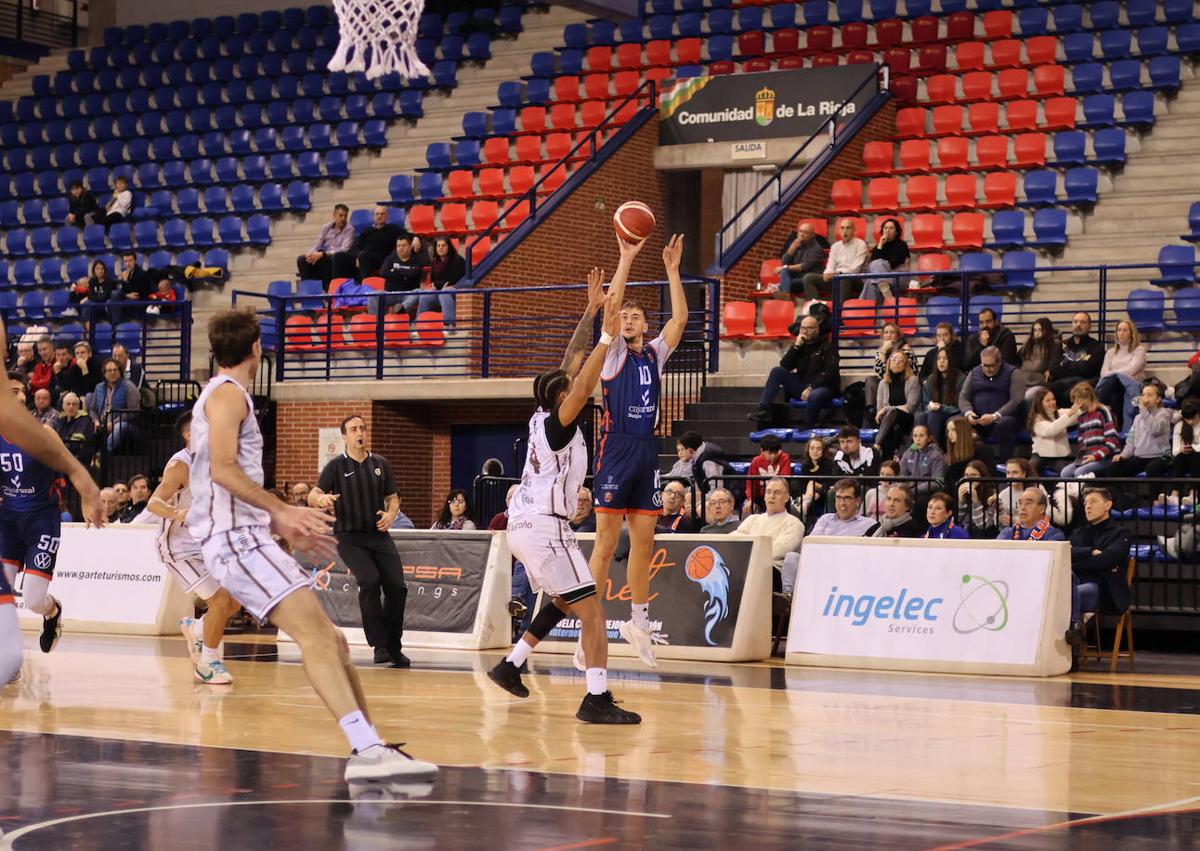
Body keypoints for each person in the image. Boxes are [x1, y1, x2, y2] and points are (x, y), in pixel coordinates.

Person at [189, 307, 438, 782]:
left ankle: (371, 744)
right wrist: (281, 511)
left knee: (335, 642)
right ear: (257, 349)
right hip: (236, 542)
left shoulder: (225, 394)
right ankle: (366, 751)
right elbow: (222, 468)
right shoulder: (227, 396)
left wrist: (277, 520)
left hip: (246, 536)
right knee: (319, 638)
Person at [487, 277, 642, 724]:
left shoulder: (541, 413)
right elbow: (582, 375)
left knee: (562, 599)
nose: (580, 383)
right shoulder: (559, 422)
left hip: (527, 525)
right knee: (592, 610)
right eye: (571, 386)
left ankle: (511, 664)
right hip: (542, 526)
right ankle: (596, 697)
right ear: (562, 396)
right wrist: (609, 336)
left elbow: (571, 361)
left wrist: (591, 312)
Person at [589, 234, 688, 669]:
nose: (627, 318)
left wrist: (672, 271)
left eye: (635, 315)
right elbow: (609, 310)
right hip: (615, 450)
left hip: (647, 451)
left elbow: (681, 320)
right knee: (606, 544)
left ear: (645, 325)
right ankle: (590, 626)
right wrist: (625, 258)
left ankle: (638, 623)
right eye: (624, 314)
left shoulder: (654, 354)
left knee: (643, 541)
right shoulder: (612, 355)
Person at [0, 370, 104, 686]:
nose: (17, 395)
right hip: (6, 520)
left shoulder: (44, 432)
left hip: (41, 519)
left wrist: (88, 498)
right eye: (10, 390)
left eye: (21, 390)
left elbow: (70, 467)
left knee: (32, 599)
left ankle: (52, 611)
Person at [140, 410, 242, 685]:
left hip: (206, 542)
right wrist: (178, 513)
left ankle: (195, 628)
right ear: (190, 434)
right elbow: (153, 503)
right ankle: (207, 663)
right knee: (219, 602)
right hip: (178, 546)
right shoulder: (180, 466)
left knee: (235, 600)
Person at [309, 414, 410, 668]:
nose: (359, 432)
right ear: (344, 437)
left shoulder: (380, 464)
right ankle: (379, 645)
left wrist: (390, 515)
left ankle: (394, 646)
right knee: (371, 580)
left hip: (379, 535)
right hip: (349, 537)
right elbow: (314, 493)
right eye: (354, 429)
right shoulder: (336, 467)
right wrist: (321, 500)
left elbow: (393, 498)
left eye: (362, 428)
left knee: (398, 587)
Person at [1064, 487, 1132, 667]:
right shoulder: (1079, 533)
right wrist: (1090, 552)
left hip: (1104, 589)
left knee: (1067, 594)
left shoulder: (1121, 534)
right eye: (1085, 503)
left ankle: (1069, 652)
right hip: (1075, 582)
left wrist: (1076, 563)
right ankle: (1074, 631)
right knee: (1065, 589)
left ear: (1108, 505)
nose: (1087, 507)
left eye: (1093, 502)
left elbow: (1106, 560)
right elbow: (1065, 553)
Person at [748, 314, 840, 428]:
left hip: (823, 387)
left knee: (815, 395)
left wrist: (811, 387)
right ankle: (763, 409)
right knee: (777, 371)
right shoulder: (801, 345)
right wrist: (796, 347)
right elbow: (785, 365)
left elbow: (830, 372)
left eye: (809, 328)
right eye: (803, 328)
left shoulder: (828, 346)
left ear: (817, 330)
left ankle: (807, 425)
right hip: (803, 384)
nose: (805, 331)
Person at [732, 478, 805, 591]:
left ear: (786, 498)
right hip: (746, 565)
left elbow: (776, 551)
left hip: (772, 570)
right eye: (768, 492)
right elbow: (734, 540)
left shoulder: (794, 524)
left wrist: (746, 553)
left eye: (777, 492)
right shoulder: (753, 519)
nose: (772, 496)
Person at [959, 345, 1024, 461]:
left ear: (999, 362)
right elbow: (963, 397)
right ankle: (962, 463)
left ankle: (1006, 463)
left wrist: (995, 416)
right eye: (984, 365)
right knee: (956, 422)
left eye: (991, 366)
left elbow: (1016, 399)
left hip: (1004, 417)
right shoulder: (974, 373)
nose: (987, 369)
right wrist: (969, 413)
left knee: (1004, 424)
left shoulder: (1013, 373)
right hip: (978, 418)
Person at [1107, 382, 1172, 479]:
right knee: (1113, 468)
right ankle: (1120, 494)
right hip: (1140, 457)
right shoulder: (1138, 418)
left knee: (1153, 468)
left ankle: (1156, 494)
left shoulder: (1164, 414)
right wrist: (1123, 455)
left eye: (1149, 395)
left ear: (1158, 399)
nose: (1145, 398)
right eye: (1143, 395)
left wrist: (1143, 410)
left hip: (1160, 456)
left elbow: (1155, 430)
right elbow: (1131, 440)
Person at [1059, 382, 1122, 479]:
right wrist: (1083, 457)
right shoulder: (1081, 416)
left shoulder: (1103, 411)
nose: (1076, 405)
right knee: (1065, 473)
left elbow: (1113, 440)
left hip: (1106, 457)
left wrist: (1095, 456)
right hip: (1089, 458)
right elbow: (1081, 443)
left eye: (1077, 401)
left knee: (1080, 472)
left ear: (1084, 398)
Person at [1096, 319, 1147, 430]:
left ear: (1131, 333)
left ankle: (1126, 429)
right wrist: (1116, 375)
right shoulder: (1110, 352)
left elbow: (1132, 370)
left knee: (1118, 382)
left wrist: (1115, 373)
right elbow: (1103, 373)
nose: (1121, 333)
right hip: (1113, 386)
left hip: (1132, 385)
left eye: (1125, 330)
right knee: (1114, 391)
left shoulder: (1139, 350)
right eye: (1119, 330)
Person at [863, 322, 915, 428]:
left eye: (892, 332)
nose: (889, 335)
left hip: (902, 382)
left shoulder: (906, 349)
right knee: (870, 380)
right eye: (886, 332)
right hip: (886, 383)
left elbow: (911, 371)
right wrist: (883, 351)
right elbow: (879, 373)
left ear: (898, 335)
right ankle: (871, 409)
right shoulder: (881, 350)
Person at [1049, 311, 1105, 406]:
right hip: (1060, 384)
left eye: (1083, 322)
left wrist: (1064, 364)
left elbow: (1088, 370)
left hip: (1083, 384)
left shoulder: (1096, 347)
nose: (1078, 325)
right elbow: (1053, 369)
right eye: (1075, 322)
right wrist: (1079, 366)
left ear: (1089, 326)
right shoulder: (1062, 345)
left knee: (1068, 394)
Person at [874, 349, 920, 460]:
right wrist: (887, 410)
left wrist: (887, 409)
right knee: (894, 429)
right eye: (894, 360)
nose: (896, 362)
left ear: (905, 364)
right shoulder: (883, 383)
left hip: (908, 419)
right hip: (889, 422)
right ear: (889, 363)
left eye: (900, 360)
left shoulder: (913, 380)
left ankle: (877, 445)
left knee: (893, 413)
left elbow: (910, 407)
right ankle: (888, 463)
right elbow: (879, 411)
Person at [88, 358, 140, 453]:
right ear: (104, 373)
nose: (112, 373)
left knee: (120, 426)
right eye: (109, 370)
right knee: (86, 424)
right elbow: (93, 409)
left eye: (115, 370)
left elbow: (133, 412)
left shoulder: (129, 387)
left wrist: (114, 422)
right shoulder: (99, 387)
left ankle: (103, 454)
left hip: (126, 426)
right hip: (102, 423)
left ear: (120, 371)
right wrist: (95, 421)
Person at [298, 203, 356, 286]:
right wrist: (310, 254)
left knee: (335, 257)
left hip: (340, 259)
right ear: (334, 215)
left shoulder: (350, 230)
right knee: (302, 259)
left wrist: (324, 254)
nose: (343, 218)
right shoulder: (326, 227)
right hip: (326, 256)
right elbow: (316, 245)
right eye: (341, 215)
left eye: (345, 216)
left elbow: (344, 250)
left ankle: (333, 289)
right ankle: (309, 289)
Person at [916, 344, 963, 443]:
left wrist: (941, 407)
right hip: (934, 411)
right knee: (921, 416)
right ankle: (918, 449)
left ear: (951, 361)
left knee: (934, 416)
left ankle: (934, 448)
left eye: (945, 358)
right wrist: (930, 405)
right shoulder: (931, 378)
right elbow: (925, 400)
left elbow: (961, 405)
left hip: (953, 413)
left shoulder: (961, 378)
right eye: (938, 358)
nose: (941, 361)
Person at [817, 218, 868, 303]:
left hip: (854, 279)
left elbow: (856, 269)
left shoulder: (860, 244)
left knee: (844, 278)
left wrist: (838, 274)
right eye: (842, 228)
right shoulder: (835, 246)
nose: (845, 231)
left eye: (848, 228)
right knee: (809, 278)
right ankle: (816, 306)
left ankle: (839, 310)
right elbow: (830, 265)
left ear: (854, 230)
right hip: (836, 277)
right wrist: (827, 274)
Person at [1028, 387, 1078, 474]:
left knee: (1066, 472)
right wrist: (1070, 414)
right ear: (1040, 403)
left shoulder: (1060, 413)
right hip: (1040, 456)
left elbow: (1078, 413)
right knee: (1028, 471)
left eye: (1053, 399)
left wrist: (1097, 405)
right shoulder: (1036, 419)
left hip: (1059, 457)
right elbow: (1051, 430)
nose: (1052, 402)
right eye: (1048, 401)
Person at [860, 217, 910, 303]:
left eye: (891, 228)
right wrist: (880, 245)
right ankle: (886, 293)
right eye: (885, 228)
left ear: (896, 232)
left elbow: (894, 263)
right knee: (870, 282)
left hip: (898, 276)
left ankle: (863, 308)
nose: (887, 230)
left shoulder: (902, 245)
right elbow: (873, 263)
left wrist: (881, 267)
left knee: (874, 276)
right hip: (883, 278)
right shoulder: (879, 246)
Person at [809, 478, 880, 537]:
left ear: (857, 501)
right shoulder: (825, 520)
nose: (842, 503)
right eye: (838, 497)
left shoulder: (869, 524)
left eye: (847, 498)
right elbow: (811, 545)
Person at [351, 205, 406, 279]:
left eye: (382, 214)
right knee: (339, 256)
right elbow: (357, 246)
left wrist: (416, 238)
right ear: (374, 217)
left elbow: (408, 236)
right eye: (377, 214)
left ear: (387, 216)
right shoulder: (367, 231)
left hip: (384, 259)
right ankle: (336, 284)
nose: (379, 216)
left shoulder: (394, 229)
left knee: (363, 256)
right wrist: (357, 257)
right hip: (365, 258)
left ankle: (366, 283)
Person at [378, 234, 426, 317]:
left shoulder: (418, 260)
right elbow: (383, 273)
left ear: (410, 246)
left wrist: (395, 271)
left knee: (419, 292)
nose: (401, 248)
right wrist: (405, 275)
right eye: (398, 246)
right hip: (391, 293)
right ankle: (376, 324)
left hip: (409, 294)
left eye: (404, 245)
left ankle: (401, 309)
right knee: (374, 295)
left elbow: (414, 273)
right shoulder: (390, 259)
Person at [778, 220, 827, 298]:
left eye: (805, 232)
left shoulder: (816, 249)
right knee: (785, 271)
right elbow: (784, 262)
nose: (801, 234)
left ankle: (784, 291)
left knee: (786, 280)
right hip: (797, 277)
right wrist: (792, 248)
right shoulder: (797, 245)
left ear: (812, 235)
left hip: (810, 277)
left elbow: (805, 266)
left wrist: (786, 267)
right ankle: (785, 293)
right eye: (800, 231)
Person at [996, 487, 1065, 541]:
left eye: (1028, 503)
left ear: (1041, 509)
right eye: (1020, 503)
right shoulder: (1007, 533)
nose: (1022, 508)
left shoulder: (1053, 535)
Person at [746, 433, 792, 513]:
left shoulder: (785, 458)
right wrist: (751, 500)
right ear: (762, 451)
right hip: (760, 497)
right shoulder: (756, 461)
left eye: (776, 453)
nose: (773, 456)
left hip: (779, 495)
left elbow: (784, 481)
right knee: (747, 508)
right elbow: (750, 484)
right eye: (770, 453)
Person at [426, 236, 465, 329]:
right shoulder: (435, 262)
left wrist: (439, 284)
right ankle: (420, 324)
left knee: (445, 292)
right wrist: (434, 285)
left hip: (456, 288)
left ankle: (449, 324)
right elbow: (433, 280)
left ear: (449, 247)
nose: (441, 248)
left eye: (443, 245)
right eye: (438, 246)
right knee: (426, 295)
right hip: (441, 289)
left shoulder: (457, 259)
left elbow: (456, 279)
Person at [794, 435, 835, 522]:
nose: (815, 451)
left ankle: (803, 506)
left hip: (824, 496)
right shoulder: (805, 466)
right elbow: (802, 486)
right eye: (812, 448)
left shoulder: (829, 464)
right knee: (810, 485)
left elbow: (828, 484)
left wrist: (818, 493)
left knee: (811, 483)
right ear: (808, 450)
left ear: (823, 451)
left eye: (818, 449)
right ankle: (804, 505)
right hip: (810, 497)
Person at [1016, 318, 1059, 399]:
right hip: (1023, 381)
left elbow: (1054, 363)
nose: (1037, 333)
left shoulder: (1054, 345)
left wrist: (1050, 371)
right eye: (1035, 330)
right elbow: (1017, 360)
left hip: (1040, 383)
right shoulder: (1027, 345)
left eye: (1040, 330)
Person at [898, 424, 945, 497]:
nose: (918, 439)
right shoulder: (908, 453)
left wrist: (914, 490)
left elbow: (937, 482)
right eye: (915, 436)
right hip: (909, 492)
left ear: (929, 438)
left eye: (921, 436)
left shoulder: (936, 455)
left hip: (927, 494)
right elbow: (901, 475)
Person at [958, 459, 1000, 538]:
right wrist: (961, 501)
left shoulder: (992, 494)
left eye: (973, 475)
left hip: (985, 535)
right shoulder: (961, 489)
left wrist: (975, 500)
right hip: (967, 533)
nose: (969, 479)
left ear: (982, 476)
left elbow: (984, 525)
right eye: (966, 475)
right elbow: (959, 522)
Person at [55, 392, 95, 465]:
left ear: (78, 406)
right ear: (63, 406)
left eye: (74, 404)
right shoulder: (60, 419)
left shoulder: (85, 420)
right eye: (68, 404)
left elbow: (75, 443)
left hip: (79, 459)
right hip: (63, 456)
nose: (71, 407)